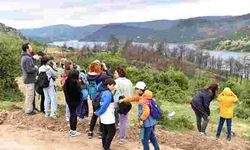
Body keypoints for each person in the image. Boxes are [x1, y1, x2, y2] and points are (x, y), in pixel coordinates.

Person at [120, 82, 160, 150]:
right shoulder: (145, 97)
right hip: (152, 122)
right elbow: (134, 98)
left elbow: (146, 112)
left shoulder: (143, 100)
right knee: (152, 136)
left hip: (147, 123)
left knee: (144, 139)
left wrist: (141, 119)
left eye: (136, 89)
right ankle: (157, 148)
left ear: (140, 90)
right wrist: (124, 100)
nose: (135, 90)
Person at [87, 62, 110, 138]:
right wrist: (106, 69)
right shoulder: (102, 76)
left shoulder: (88, 76)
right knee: (102, 114)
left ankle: (90, 131)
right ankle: (101, 132)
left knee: (95, 113)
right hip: (102, 97)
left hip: (94, 97)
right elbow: (110, 78)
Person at [94, 78, 116, 150]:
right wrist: (98, 113)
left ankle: (105, 146)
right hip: (108, 115)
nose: (114, 87)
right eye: (113, 85)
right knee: (112, 131)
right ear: (108, 85)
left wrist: (99, 112)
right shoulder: (108, 94)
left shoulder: (104, 92)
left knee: (105, 131)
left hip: (104, 115)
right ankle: (106, 147)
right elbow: (105, 105)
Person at [113, 67, 133, 142]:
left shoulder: (116, 81)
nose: (114, 74)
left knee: (115, 117)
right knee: (123, 120)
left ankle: (114, 133)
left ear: (119, 73)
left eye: (115, 73)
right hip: (127, 102)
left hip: (118, 102)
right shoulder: (129, 81)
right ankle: (122, 137)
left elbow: (113, 91)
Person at [21, 43, 40, 115]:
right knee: (30, 96)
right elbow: (29, 69)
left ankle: (27, 108)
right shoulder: (27, 58)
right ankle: (29, 111)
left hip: (27, 79)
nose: (31, 48)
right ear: (27, 49)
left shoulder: (26, 57)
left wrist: (33, 59)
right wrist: (36, 68)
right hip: (29, 79)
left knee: (28, 95)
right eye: (30, 47)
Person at [63, 69, 82, 137]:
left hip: (69, 101)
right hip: (75, 101)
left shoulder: (67, 81)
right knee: (74, 115)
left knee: (71, 114)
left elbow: (65, 90)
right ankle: (73, 130)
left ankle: (72, 129)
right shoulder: (76, 83)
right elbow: (79, 93)